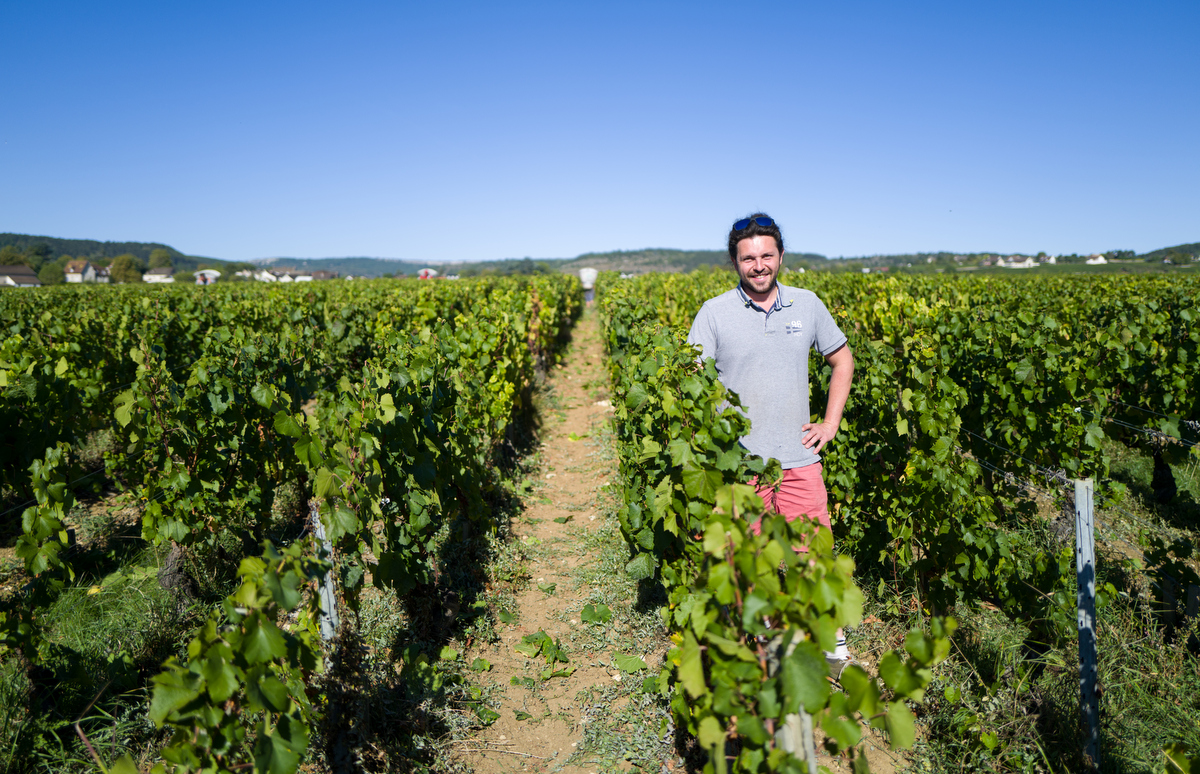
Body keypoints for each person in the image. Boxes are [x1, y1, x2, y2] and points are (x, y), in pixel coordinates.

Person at [686, 212, 856, 677]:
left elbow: (843, 361)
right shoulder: (714, 313)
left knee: (813, 555)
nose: (758, 265)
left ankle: (831, 648)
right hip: (742, 467)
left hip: (800, 458)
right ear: (735, 263)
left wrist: (830, 423)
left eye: (766, 255)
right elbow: (689, 383)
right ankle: (767, 649)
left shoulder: (807, 305)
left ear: (780, 256)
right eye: (748, 258)